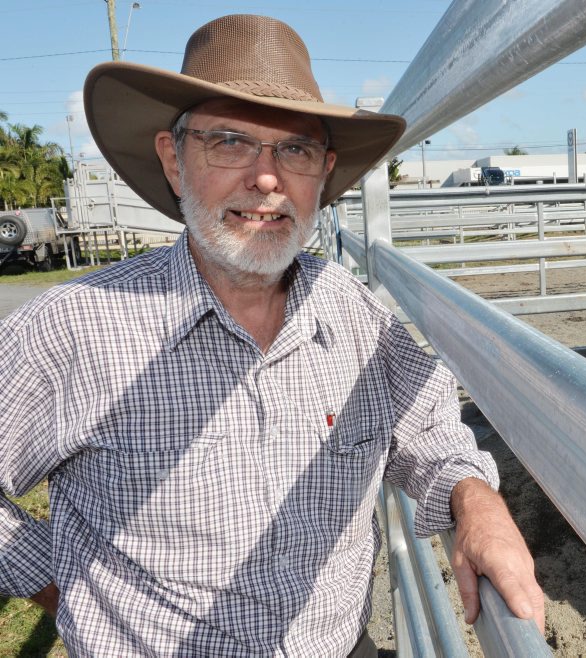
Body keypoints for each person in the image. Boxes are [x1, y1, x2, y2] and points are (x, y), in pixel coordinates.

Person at [0, 14, 543, 657]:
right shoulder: (74, 327)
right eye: (230, 141)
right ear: (173, 161)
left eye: (295, 149)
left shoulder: (351, 312)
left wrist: (474, 498)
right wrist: (60, 584)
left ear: (325, 171)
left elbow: (427, 425)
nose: (266, 178)